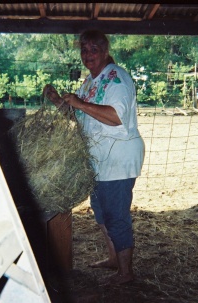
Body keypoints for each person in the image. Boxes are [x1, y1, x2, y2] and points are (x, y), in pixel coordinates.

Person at [43, 29, 145, 285]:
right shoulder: (91, 82)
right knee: (100, 211)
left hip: (117, 159)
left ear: (105, 50)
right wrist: (59, 101)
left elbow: (115, 116)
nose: (88, 55)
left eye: (93, 49)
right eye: (84, 50)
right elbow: (79, 116)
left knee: (116, 215)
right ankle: (113, 259)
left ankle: (126, 273)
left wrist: (78, 103)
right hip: (99, 160)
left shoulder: (117, 79)